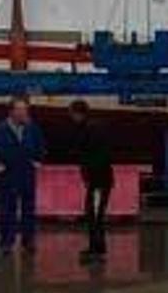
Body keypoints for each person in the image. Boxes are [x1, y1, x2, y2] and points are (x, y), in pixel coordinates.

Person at [0, 96, 45, 254]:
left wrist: (37, 160)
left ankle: (28, 241)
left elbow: (41, 145)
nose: (24, 113)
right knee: (7, 210)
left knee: (28, 209)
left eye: (25, 109)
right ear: (12, 112)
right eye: (20, 109)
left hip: (27, 173)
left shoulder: (32, 128)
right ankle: (6, 242)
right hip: (8, 175)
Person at [69, 100, 114, 259]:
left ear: (77, 113)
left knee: (94, 214)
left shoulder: (89, 129)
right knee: (95, 213)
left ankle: (96, 249)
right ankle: (97, 247)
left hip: (98, 181)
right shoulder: (94, 127)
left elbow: (92, 155)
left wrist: (89, 175)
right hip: (100, 179)